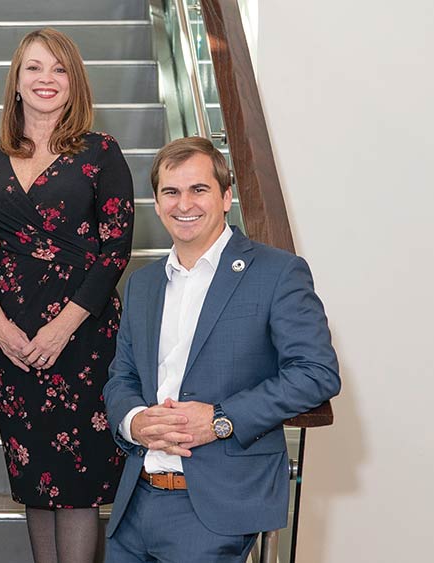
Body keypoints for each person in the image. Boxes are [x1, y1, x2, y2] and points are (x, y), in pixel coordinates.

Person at [103, 136, 341, 562]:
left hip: (215, 508)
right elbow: (122, 377)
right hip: (135, 503)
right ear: (156, 204)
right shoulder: (143, 284)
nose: (184, 204)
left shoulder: (277, 272)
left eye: (199, 189)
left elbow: (316, 372)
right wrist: (134, 421)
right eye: (170, 192)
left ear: (226, 196)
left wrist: (220, 421)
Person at [0, 28, 134, 563]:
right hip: (10, 339)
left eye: (59, 69)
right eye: (34, 68)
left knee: (79, 486)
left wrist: (62, 327)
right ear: (15, 81)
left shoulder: (101, 152)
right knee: (34, 478)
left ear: (74, 82)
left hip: (82, 339)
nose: (46, 79)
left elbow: (115, 251)